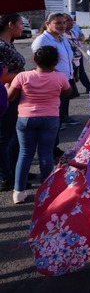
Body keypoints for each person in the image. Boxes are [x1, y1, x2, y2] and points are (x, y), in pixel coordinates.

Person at [7, 46, 71, 204]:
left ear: (34, 59)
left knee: (25, 154)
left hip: (26, 118)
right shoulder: (60, 77)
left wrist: (8, 87)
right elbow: (67, 93)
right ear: (56, 62)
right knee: (46, 153)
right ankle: (46, 191)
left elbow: (10, 97)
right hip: (50, 118)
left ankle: (18, 192)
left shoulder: (23, 76)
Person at [31, 13, 77, 158]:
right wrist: (57, 78)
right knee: (52, 118)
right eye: (58, 23)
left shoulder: (63, 39)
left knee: (59, 116)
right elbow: (42, 64)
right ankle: (47, 150)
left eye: (64, 22)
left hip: (65, 81)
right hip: (51, 84)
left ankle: (54, 147)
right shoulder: (42, 41)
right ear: (47, 24)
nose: (62, 25)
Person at [0, 13, 27, 192]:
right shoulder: (1, 46)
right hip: (7, 95)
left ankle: (15, 170)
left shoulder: (8, 44)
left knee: (13, 135)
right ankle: (5, 176)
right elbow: (2, 76)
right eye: (20, 23)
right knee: (5, 136)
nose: (22, 27)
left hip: (14, 93)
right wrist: (27, 76)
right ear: (10, 25)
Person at [65, 15, 90, 93]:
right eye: (68, 20)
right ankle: (71, 90)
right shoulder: (61, 34)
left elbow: (82, 36)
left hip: (78, 54)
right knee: (70, 73)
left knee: (81, 71)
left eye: (71, 20)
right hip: (69, 56)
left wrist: (81, 38)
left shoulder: (73, 30)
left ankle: (88, 86)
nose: (71, 22)